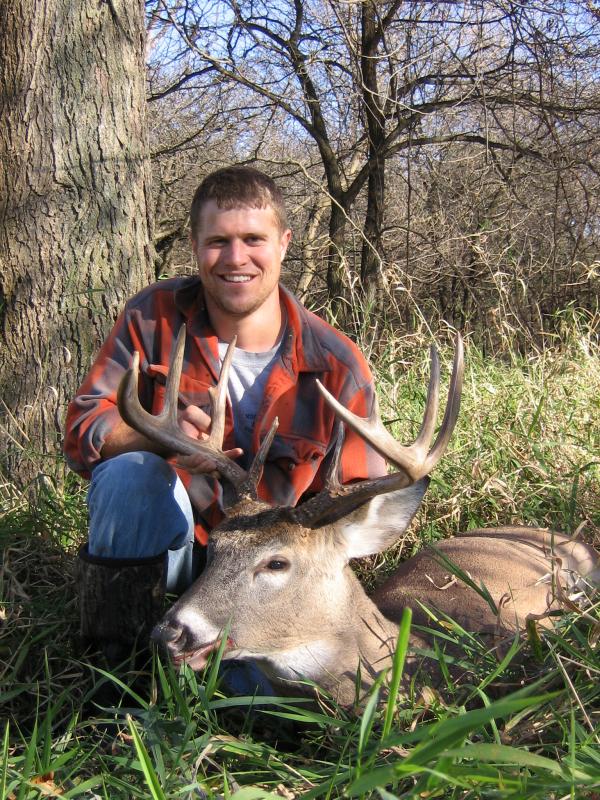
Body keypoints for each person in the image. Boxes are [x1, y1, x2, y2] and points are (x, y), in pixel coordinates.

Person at [64, 166, 386, 663]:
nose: (236, 259)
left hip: (265, 581)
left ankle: (221, 665)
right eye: (219, 241)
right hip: (172, 553)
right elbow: (83, 427)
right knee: (129, 474)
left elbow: (358, 505)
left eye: (253, 239)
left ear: (283, 243)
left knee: (276, 693)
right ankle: (117, 669)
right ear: (195, 245)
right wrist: (158, 439)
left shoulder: (337, 366)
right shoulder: (153, 317)